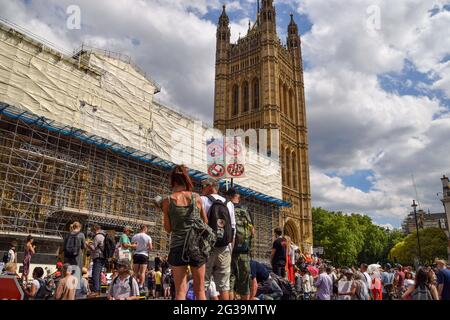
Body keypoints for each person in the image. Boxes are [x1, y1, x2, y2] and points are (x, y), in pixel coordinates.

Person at [162, 165, 209, 300]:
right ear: (187, 179)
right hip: (196, 246)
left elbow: (168, 228)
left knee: (180, 292)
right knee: (200, 291)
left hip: (177, 246)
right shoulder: (196, 197)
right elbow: (205, 222)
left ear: (173, 180)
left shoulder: (167, 200)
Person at [201, 177, 235, 300]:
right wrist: (231, 248)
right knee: (224, 285)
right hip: (225, 247)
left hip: (207, 247)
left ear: (210, 187)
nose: (202, 189)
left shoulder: (202, 200)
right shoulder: (229, 203)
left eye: (204, 186)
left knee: (203, 283)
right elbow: (232, 228)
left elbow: (199, 224)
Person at [228, 187, 254, 300]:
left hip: (229, 251)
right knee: (244, 284)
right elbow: (252, 232)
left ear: (229, 196)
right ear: (238, 196)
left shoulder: (226, 208)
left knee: (229, 284)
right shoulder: (245, 210)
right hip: (244, 252)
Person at [131, 224, 152, 292]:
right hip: (144, 255)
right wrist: (146, 248)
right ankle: (140, 286)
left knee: (135, 272)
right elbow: (150, 248)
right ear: (145, 229)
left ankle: (133, 286)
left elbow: (133, 246)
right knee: (142, 272)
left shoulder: (135, 236)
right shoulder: (148, 237)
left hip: (136, 254)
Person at [86, 224, 106, 298]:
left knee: (95, 274)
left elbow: (93, 247)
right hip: (101, 257)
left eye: (92, 230)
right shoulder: (103, 235)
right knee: (98, 274)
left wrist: (87, 244)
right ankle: (98, 291)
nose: (92, 231)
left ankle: (95, 291)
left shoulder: (97, 236)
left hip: (98, 257)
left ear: (95, 229)